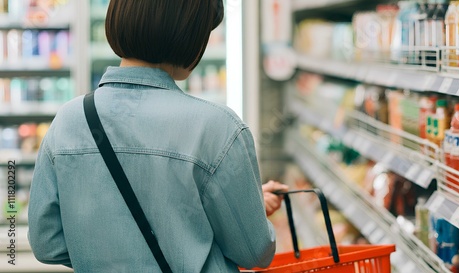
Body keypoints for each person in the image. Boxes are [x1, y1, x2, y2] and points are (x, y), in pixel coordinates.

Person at [28, 0, 289, 272]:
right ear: (189, 35)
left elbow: (46, 242)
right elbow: (255, 253)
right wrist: (248, 212)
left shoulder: (68, 121)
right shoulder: (219, 128)